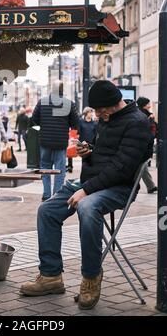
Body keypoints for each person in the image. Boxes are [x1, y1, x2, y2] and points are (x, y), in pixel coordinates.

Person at [20, 80, 153, 310]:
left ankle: (91, 278)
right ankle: (51, 276)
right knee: (47, 210)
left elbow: (121, 167)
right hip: (93, 183)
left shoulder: (138, 123)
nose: (98, 115)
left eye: (100, 110)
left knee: (88, 207)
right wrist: (88, 152)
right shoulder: (107, 119)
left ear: (111, 105)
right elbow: (104, 156)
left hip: (119, 188)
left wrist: (86, 190)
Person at [31, 79, 79, 201]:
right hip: (61, 142)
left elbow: (34, 119)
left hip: (45, 140)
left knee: (45, 167)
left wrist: (44, 123)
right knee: (60, 169)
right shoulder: (69, 103)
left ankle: (46, 194)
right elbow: (75, 123)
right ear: (62, 89)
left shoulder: (42, 102)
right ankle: (56, 195)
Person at [136, 96, 158, 194]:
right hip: (143, 145)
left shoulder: (144, 114)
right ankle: (149, 186)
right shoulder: (143, 116)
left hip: (144, 144)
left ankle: (150, 186)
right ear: (144, 105)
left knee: (142, 166)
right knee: (141, 166)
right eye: (148, 103)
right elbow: (146, 129)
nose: (150, 105)